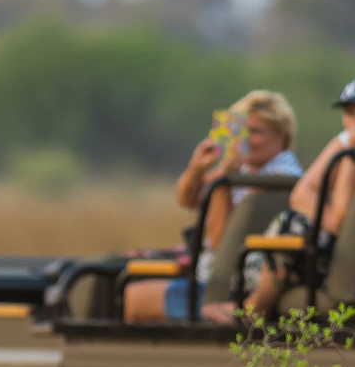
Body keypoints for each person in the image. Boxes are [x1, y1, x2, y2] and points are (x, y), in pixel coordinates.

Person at [206, 78, 355, 324]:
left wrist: (351, 159)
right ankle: (251, 305)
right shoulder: (346, 142)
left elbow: (343, 218)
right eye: (350, 113)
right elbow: (302, 194)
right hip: (346, 244)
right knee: (293, 228)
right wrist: (333, 224)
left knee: (291, 227)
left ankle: (252, 309)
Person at [123, 90, 302, 323]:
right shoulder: (250, 170)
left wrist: (223, 179)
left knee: (132, 298)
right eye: (241, 131)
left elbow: (221, 242)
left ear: (282, 136)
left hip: (228, 285)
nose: (245, 140)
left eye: (256, 132)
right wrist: (197, 169)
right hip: (221, 276)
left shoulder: (278, 178)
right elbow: (187, 199)